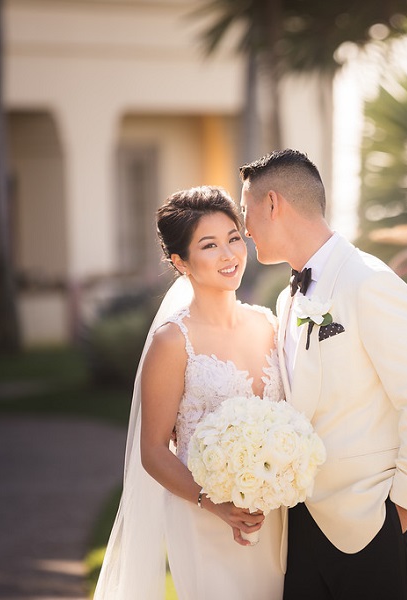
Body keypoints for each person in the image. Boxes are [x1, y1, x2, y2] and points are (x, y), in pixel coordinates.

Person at [239, 149, 407, 600]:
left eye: (247, 211)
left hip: (373, 525)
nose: (245, 228)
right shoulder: (287, 299)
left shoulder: (369, 281)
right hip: (303, 528)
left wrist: (403, 511)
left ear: (273, 204)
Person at [94, 186, 285, 599]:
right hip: (207, 522)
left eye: (234, 238)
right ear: (181, 262)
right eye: (209, 245)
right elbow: (153, 451)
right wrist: (216, 505)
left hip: (277, 517)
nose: (229, 255)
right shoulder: (172, 342)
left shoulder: (269, 325)